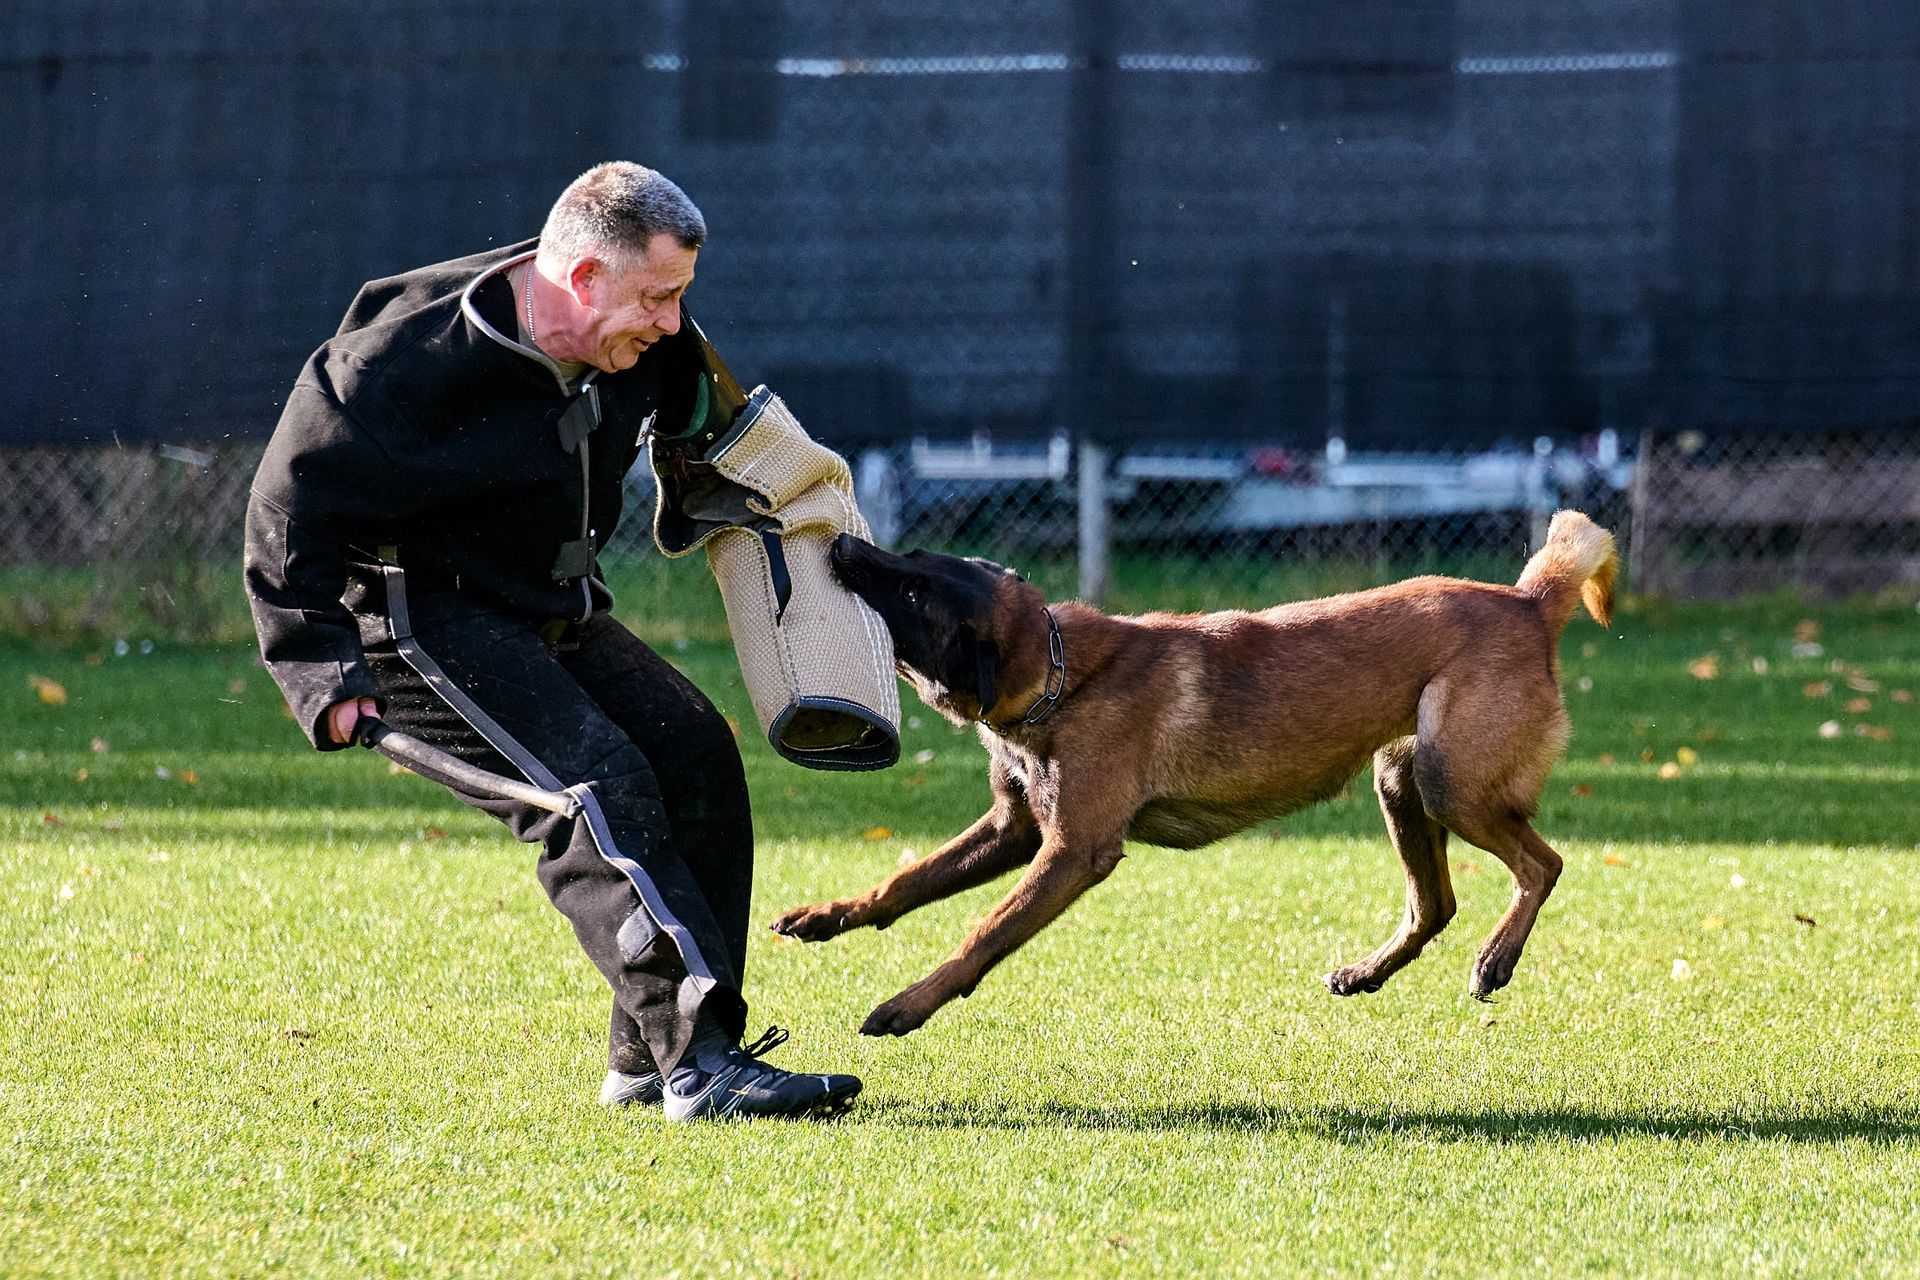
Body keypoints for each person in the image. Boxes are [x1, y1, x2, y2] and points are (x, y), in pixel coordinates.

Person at [243, 161, 861, 1121]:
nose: (672, 322)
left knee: (695, 755)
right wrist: (318, 670)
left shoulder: (652, 342)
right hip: (416, 620)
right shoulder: (397, 362)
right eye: (656, 297)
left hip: (551, 603)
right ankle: (702, 1063)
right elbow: (287, 509)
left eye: (681, 296)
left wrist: (819, 543)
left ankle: (649, 1060)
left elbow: (730, 437)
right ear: (582, 278)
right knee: (592, 789)